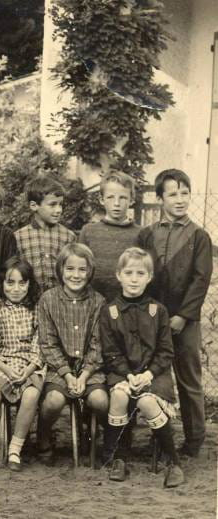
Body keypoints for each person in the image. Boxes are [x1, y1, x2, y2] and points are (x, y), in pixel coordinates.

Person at [137, 169, 213, 458]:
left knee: (188, 378)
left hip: (185, 321)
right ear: (160, 199)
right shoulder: (147, 235)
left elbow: (200, 280)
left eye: (184, 193)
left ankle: (194, 440)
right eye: (172, 194)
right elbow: (140, 274)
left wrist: (183, 316)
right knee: (156, 377)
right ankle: (159, 436)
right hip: (153, 320)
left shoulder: (199, 236)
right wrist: (148, 315)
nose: (180, 199)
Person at [100, 247, 184, 487]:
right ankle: (120, 458)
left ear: (149, 277)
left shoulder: (158, 311)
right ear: (119, 275)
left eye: (140, 273)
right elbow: (111, 352)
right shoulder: (110, 311)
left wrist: (148, 374)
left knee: (146, 402)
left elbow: (166, 351)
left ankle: (174, 462)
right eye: (129, 273)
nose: (134, 279)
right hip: (122, 373)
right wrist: (128, 374)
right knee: (119, 396)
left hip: (154, 375)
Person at [36, 243, 108, 465]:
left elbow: (98, 344)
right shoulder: (48, 300)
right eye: (70, 269)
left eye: (82, 270)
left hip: (90, 369)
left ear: (90, 272)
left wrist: (84, 375)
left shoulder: (98, 301)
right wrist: (67, 375)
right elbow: (48, 343)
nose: (75, 275)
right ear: (60, 270)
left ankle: (94, 431)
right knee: (53, 401)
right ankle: (43, 437)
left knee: (100, 401)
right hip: (60, 369)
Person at [0, 257, 43, 472]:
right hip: (2, 364)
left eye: (22, 283)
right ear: (2, 283)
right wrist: (5, 368)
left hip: (29, 365)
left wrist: (29, 368)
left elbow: (40, 342)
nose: (16, 289)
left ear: (29, 284)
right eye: (10, 283)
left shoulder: (37, 308)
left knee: (31, 394)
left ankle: (15, 448)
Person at [79, 171, 141, 302]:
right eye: (110, 197)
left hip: (128, 303)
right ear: (102, 200)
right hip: (94, 303)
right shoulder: (88, 231)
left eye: (123, 198)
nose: (116, 203)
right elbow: (81, 269)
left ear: (132, 200)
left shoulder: (141, 234)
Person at [15, 176, 76, 294]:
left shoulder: (68, 236)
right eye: (52, 205)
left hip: (59, 299)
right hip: (29, 298)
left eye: (60, 204)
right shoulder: (19, 237)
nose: (59, 210)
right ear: (34, 206)